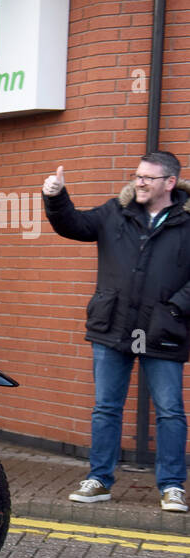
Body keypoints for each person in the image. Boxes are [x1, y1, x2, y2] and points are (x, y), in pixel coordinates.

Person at [43, 152, 190, 513]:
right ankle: (99, 480)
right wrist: (56, 197)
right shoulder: (114, 212)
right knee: (106, 407)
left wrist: (176, 307)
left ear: (169, 183)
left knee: (170, 410)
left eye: (148, 178)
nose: (139, 182)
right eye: (137, 175)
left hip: (163, 329)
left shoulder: (187, 222)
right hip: (113, 326)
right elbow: (73, 225)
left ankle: (172, 486)